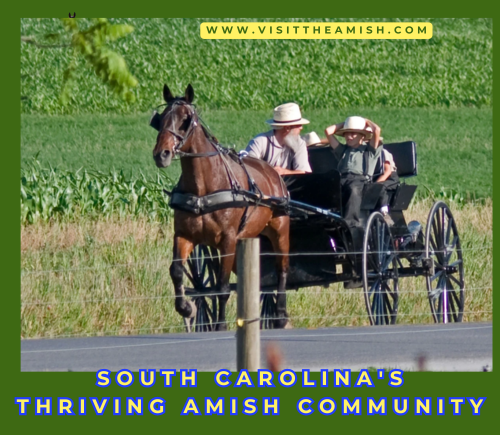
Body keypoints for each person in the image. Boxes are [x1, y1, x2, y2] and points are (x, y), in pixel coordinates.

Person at [324, 116, 383, 228]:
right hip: (341, 179)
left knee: (353, 189)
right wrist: (346, 123)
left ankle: (350, 223)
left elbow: (377, 130)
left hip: (360, 181)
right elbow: (328, 131)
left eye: (353, 133)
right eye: (346, 133)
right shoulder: (343, 150)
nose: (348, 136)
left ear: (362, 136)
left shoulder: (369, 150)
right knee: (327, 187)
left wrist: (366, 121)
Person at [245, 103, 312, 175]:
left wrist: (284, 172)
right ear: (287, 128)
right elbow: (247, 168)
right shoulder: (260, 142)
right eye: (298, 125)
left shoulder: (299, 143)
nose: (301, 128)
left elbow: (304, 173)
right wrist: (269, 173)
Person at [374, 148, 400, 225]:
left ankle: (384, 212)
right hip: (376, 177)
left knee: (381, 186)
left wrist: (375, 184)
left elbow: (387, 171)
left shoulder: (383, 152)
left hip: (390, 178)